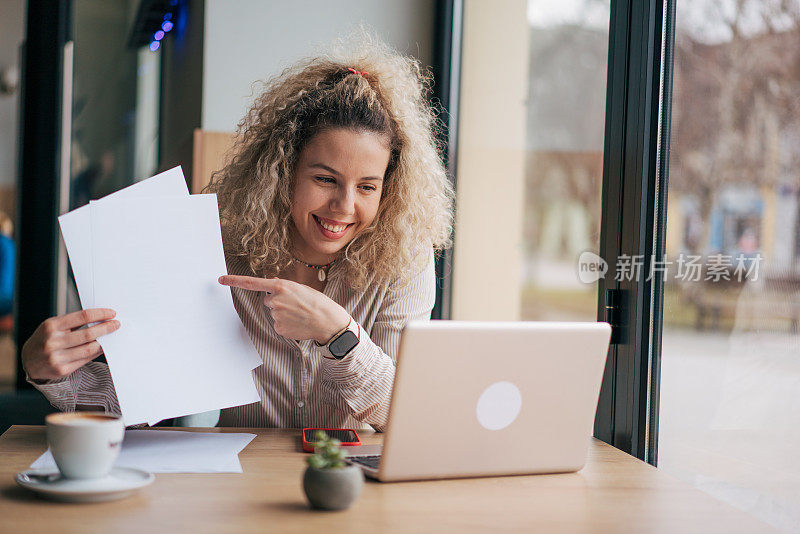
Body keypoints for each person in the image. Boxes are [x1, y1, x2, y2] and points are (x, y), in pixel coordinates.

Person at [21, 34, 454, 431]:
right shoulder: (221, 250)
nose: (344, 206)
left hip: (347, 483)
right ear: (284, 171)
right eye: (325, 179)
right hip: (241, 483)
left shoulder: (402, 262)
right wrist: (46, 369)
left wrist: (337, 332)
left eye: (366, 187)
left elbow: (402, 417)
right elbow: (141, 400)